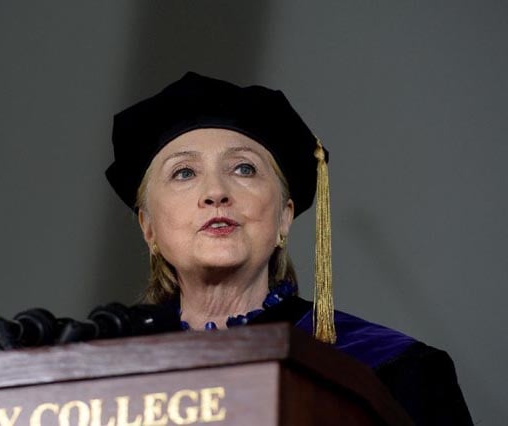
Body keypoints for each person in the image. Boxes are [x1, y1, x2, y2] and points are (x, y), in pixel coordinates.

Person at [106, 72, 473, 425]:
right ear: (148, 227)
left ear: (284, 217)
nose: (216, 192)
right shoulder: (106, 369)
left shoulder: (390, 369)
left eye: (244, 169)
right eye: (184, 172)